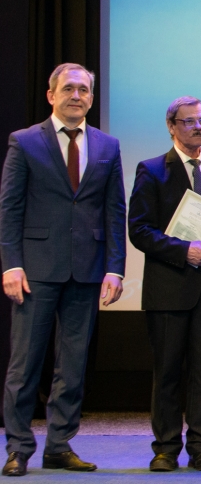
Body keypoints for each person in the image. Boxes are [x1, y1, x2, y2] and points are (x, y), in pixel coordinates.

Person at [0, 63, 125, 476]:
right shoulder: (24, 141)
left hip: (87, 270)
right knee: (25, 364)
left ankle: (59, 445)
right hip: (35, 269)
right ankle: (18, 447)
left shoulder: (107, 145)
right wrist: (11, 264)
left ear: (91, 97)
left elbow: (114, 211)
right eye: (69, 88)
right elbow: (10, 208)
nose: (77, 96)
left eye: (84, 90)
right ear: (51, 95)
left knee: (72, 365)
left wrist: (115, 268)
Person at [128, 96, 201, 472]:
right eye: (189, 121)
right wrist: (182, 250)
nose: (198, 127)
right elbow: (139, 230)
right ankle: (166, 449)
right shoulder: (152, 170)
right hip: (168, 288)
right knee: (168, 372)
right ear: (171, 126)